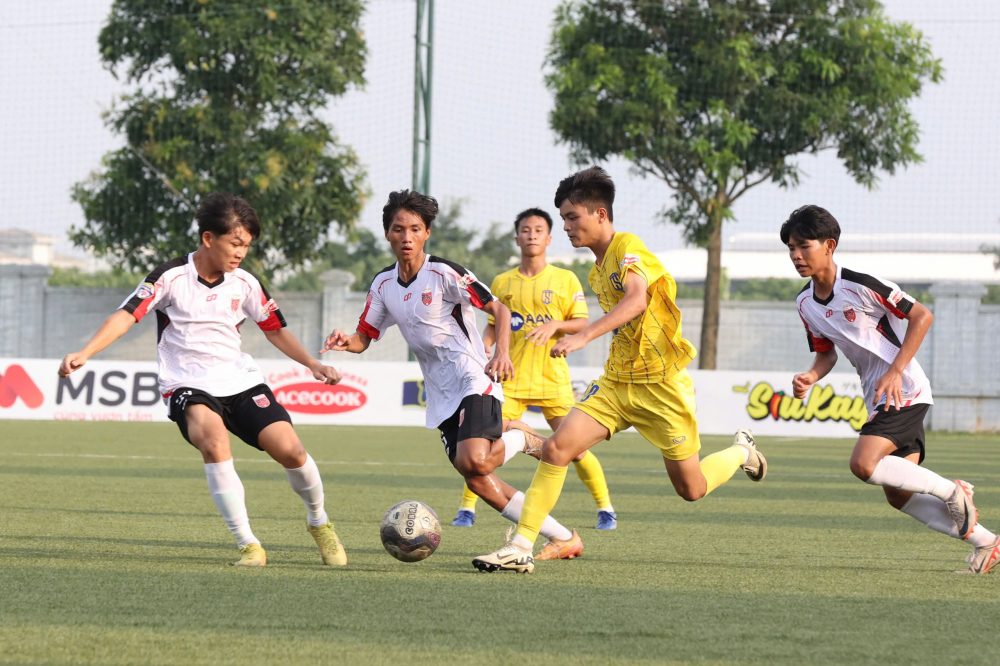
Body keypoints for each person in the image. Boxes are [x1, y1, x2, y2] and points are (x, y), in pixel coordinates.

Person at [473, 167, 766, 573]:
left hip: (662, 387)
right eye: (564, 219)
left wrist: (583, 336)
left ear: (600, 215)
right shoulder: (595, 270)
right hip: (616, 384)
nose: (567, 227)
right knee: (558, 449)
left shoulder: (628, 246)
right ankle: (520, 546)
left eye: (572, 217)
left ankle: (741, 451)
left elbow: (637, 300)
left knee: (691, 488)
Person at [58, 192, 348, 568]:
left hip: (239, 380)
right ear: (209, 238)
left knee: (291, 450)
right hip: (187, 384)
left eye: (247, 245)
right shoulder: (170, 277)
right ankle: (249, 545)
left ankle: (319, 522)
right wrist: (86, 353)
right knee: (213, 440)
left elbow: (275, 330)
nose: (241, 252)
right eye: (235, 243)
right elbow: (128, 315)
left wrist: (312, 363)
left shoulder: (245, 282)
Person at [322, 189, 585, 562]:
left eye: (415, 228)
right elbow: (364, 337)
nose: (407, 237)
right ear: (388, 234)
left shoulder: (444, 273)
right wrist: (344, 341)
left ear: (427, 232)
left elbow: (499, 307)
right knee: (477, 479)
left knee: (477, 461)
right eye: (399, 229)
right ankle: (563, 538)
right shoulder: (383, 284)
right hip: (441, 393)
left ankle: (522, 438)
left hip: (473, 377)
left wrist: (503, 354)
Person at [781, 205, 999, 574]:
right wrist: (811, 376)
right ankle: (987, 541)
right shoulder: (805, 303)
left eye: (804, 245)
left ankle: (952, 491)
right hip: (878, 396)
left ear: (829, 245)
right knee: (898, 495)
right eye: (790, 248)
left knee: (863, 463)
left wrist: (897, 370)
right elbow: (825, 354)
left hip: (905, 390)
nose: (796, 255)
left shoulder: (862, 285)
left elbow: (922, 315)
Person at [450, 207, 618, 531]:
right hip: (510, 379)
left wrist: (556, 325)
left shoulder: (564, 279)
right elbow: (492, 324)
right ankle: (466, 509)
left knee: (577, 448)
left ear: (549, 238)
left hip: (553, 379)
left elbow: (582, 322)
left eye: (538, 230)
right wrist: (485, 346)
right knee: (479, 443)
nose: (532, 235)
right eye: (526, 230)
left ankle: (605, 508)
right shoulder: (503, 281)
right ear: (517, 238)